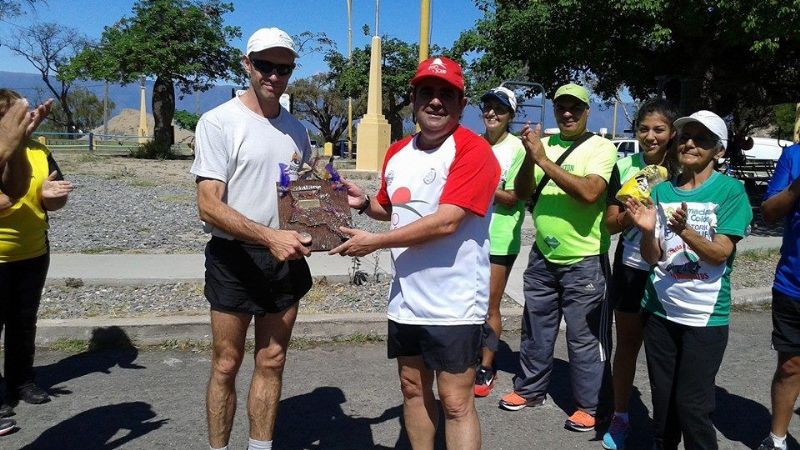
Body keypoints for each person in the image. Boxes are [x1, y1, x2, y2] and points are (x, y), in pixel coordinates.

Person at [329, 56, 500, 450]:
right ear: (413, 99)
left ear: (461, 103)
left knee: (456, 402)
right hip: (405, 299)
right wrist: (364, 201)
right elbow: (392, 208)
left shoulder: (473, 152)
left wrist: (372, 242)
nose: (436, 101)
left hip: (455, 302)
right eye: (427, 92)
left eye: (446, 94)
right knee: (412, 390)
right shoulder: (397, 152)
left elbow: (446, 222)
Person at [190, 28, 314, 450]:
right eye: (264, 65)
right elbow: (208, 205)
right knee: (226, 363)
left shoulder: (297, 130)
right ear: (247, 64)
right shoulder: (219, 122)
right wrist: (268, 237)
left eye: (283, 68)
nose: (274, 76)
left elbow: (301, 195)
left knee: (272, 360)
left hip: (285, 257)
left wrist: (322, 222)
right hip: (235, 256)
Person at [625, 110, 752, 449]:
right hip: (659, 312)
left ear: (719, 150)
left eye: (702, 139)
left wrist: (685, 231)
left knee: (693, 407)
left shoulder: (731, 192)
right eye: (685, 137)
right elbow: (654, 258)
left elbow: (720, 253)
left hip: (705, 318)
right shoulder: (663, 191)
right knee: (664, 408)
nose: (690, 143)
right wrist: (648, 232)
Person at [499, 83, 617, 433]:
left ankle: (589, 406)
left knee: (583, 337)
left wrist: (542, 160)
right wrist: (528, 157)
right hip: (543, 255)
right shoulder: (542, 144)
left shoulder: (601, 148)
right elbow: (521, 192)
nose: (567, 113)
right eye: (561, 107)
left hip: (584, 259)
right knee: (535, 328)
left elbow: (589, 192)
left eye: (575, 108)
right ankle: (530, 390)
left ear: (586, 111)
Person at [601, 98, 679, 449]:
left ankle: (665, 426)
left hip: (673, 269)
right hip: (632, 267)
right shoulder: (625, 165)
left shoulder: (683, 165)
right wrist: (630, 216)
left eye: (659, 129)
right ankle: (621, 416)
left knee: (667, 353)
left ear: (672, 133)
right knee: (629, 344)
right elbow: (609, 224)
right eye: (644, 129)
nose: (651, 136)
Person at [0, 89, 71, 422]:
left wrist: (52, 196)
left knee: (23, 322)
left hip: (33, 252)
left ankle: (21, 381)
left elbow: (52, 202)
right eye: (14, 115)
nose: (23, 120)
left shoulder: (40, 151)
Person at [474, 86, 526, 397]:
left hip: (500, 238)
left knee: (489, 306)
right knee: (468, 301)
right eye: (488, 106)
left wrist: (480, 186)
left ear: (511, 116)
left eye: (500, 109)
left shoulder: (517, 149)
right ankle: (467, 357)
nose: (492, 113)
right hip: (468, 236)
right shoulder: (471, 144)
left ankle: (487, 365)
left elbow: (515, 197)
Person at [758, 142, 800, 450]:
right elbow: (769, 212)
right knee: (790, 365)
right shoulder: (794, 156)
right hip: (792, 283)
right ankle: (777, 439)